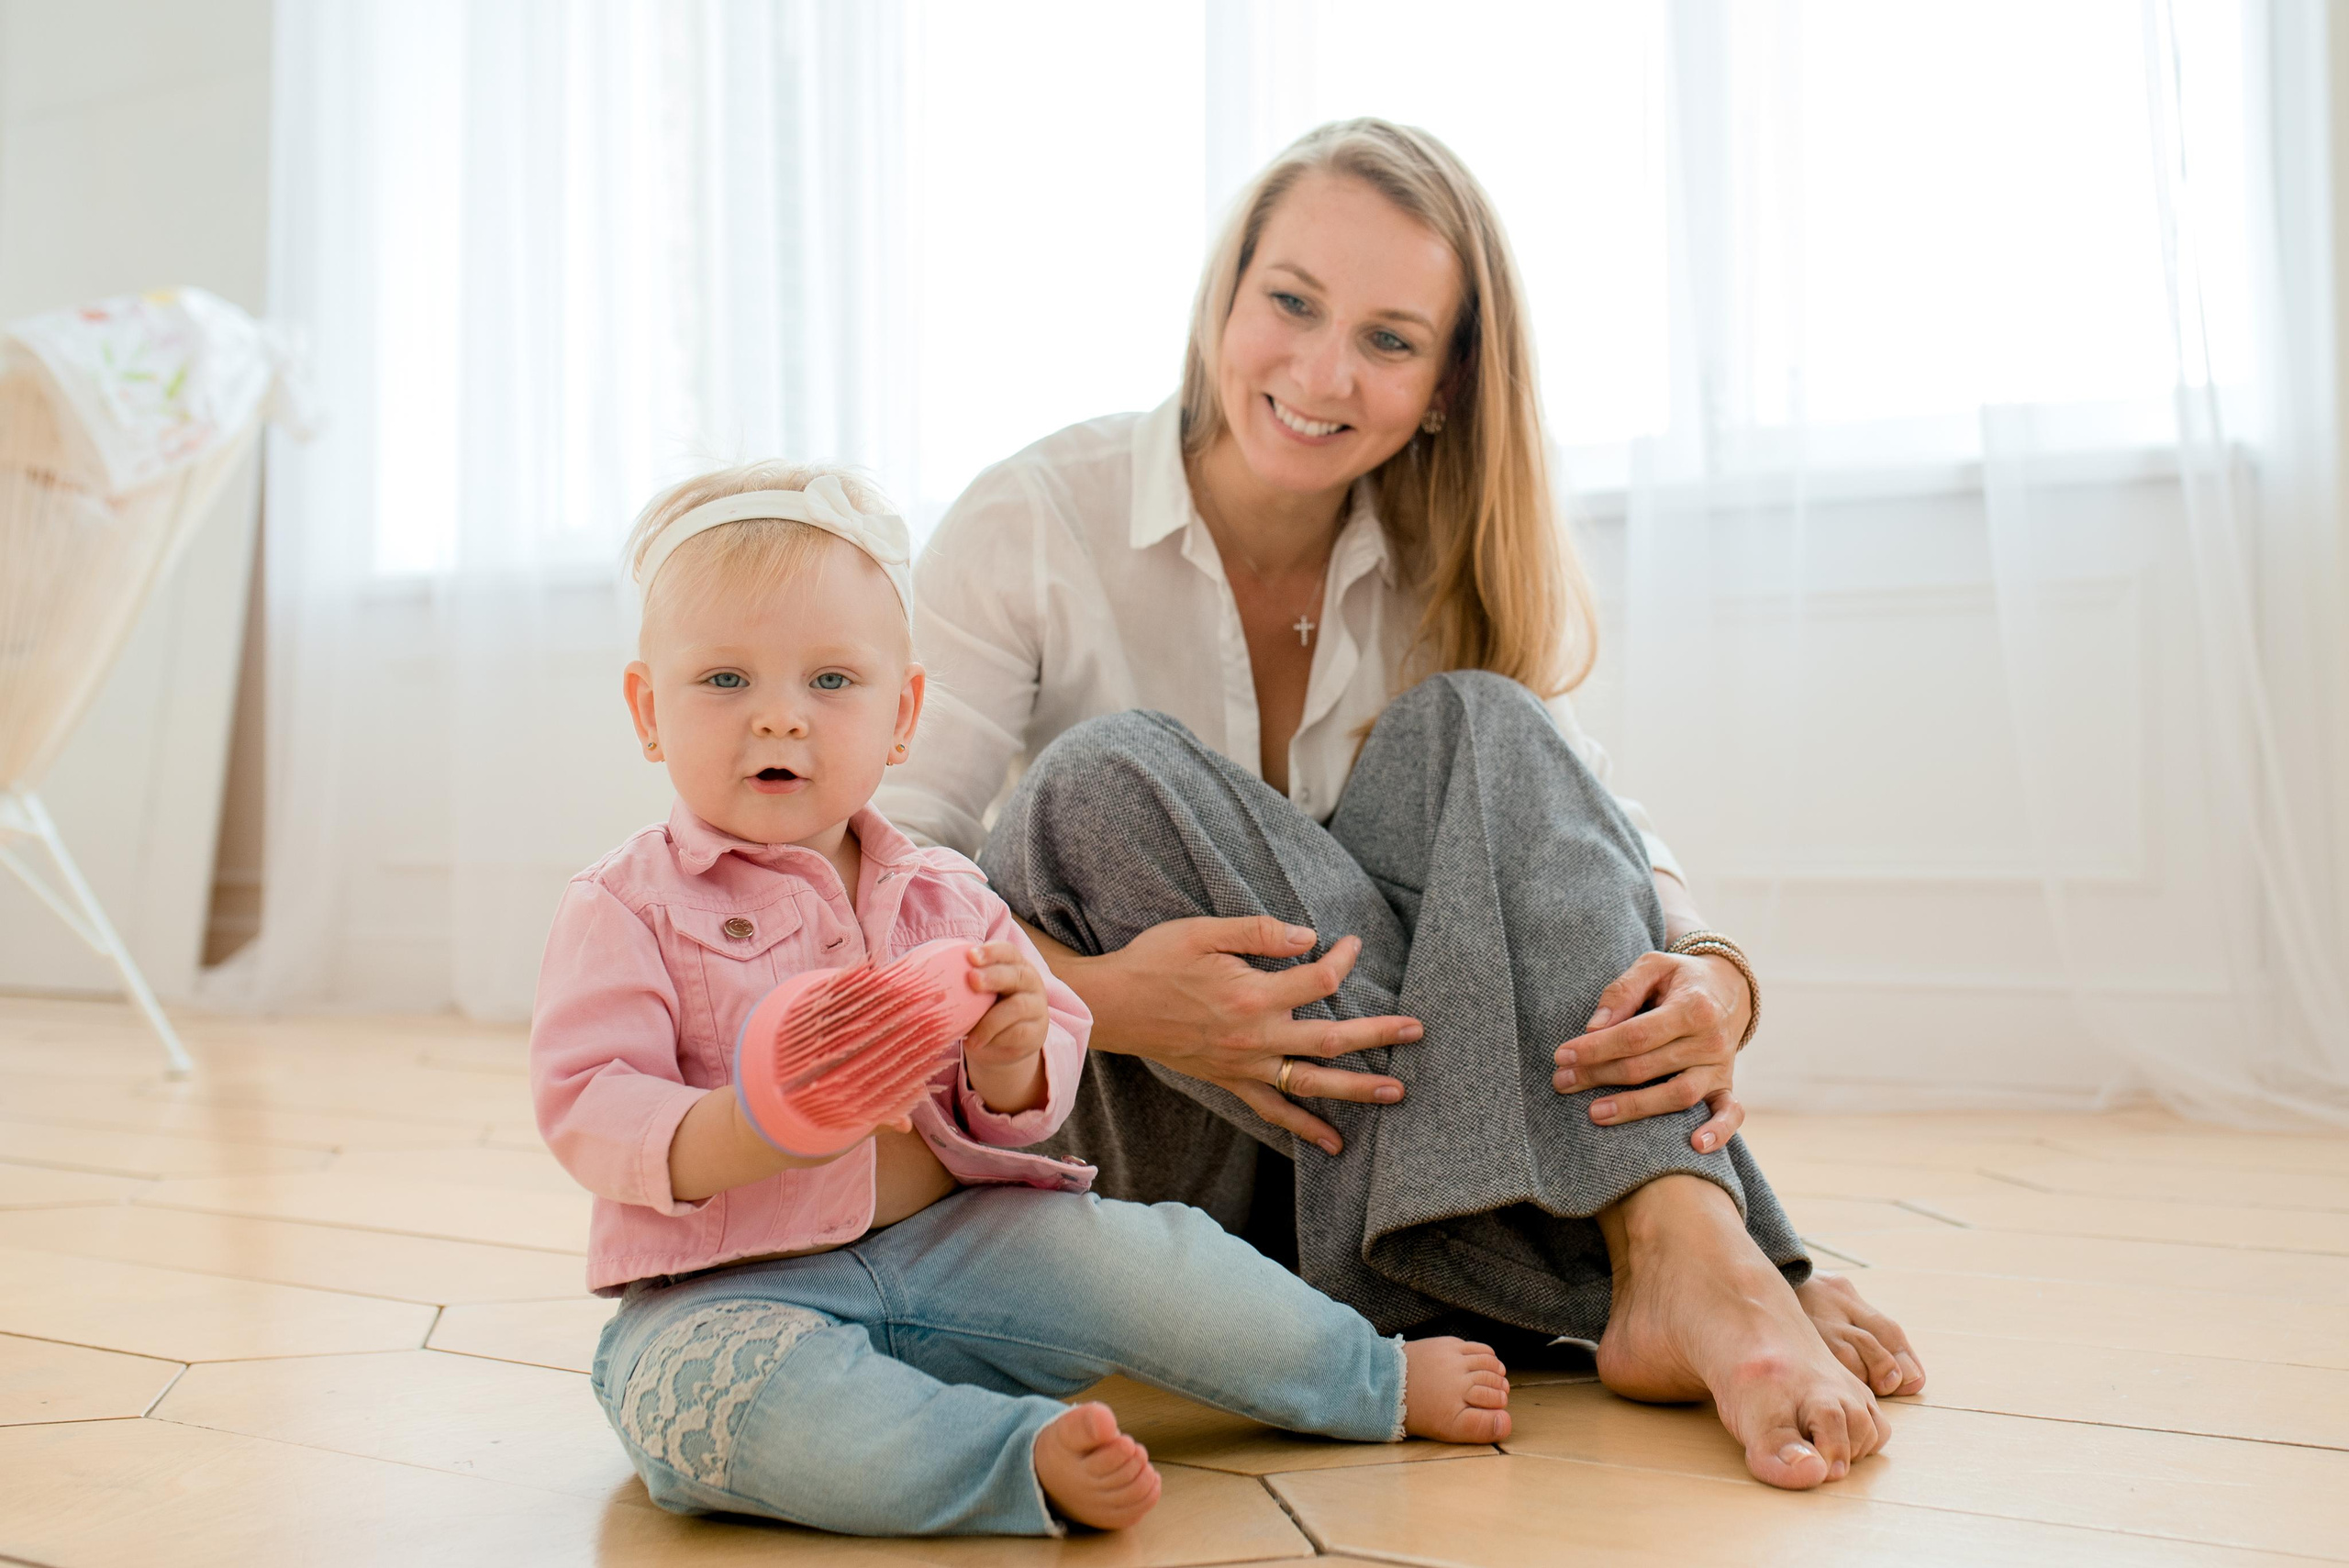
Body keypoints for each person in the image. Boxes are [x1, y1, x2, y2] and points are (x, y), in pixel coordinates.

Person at [876, 118, 1921, 1491]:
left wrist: (1718, 980)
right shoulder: (1030, 521)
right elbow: (874, 879)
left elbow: (1569, 831)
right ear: (1224, 299)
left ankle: (1678, 1251)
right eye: (1292, 305)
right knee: (1099, 782)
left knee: (1483, 724)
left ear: (1442, 383)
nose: (1321, 373)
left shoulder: (1441, 555)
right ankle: (1676, 1255)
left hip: (1367, 1159)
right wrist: (1108, 1000)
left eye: (1387, 338)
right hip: (1145, 1140)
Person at [529, 462, 1512, 1539]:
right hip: (719, 1294)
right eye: (724, 680)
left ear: (902, 712)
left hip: (964, 1246)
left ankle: (1365, 1374)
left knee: (1149, 1261)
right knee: (705, 1408)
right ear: (647, 709)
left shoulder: (948, 894)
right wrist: (747, 1126)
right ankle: (1005, 1459)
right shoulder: (624, 904)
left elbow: (1031, 1103)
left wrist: (1010, 1054)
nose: (778, 721)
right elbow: (590, 1103)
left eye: (830, 682)